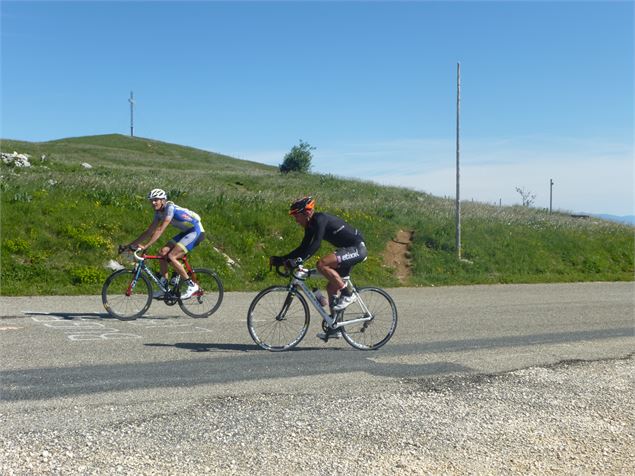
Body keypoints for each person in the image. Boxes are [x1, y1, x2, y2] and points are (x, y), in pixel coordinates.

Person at [269, 196, 367, 341]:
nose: (296, 220)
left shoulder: (320, 219)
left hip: (357, 248)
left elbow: (316, 245)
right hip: (348, 250)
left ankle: (348, 294)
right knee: (331, 288)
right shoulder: (310, 227)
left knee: (321, 264)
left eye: (296, 216)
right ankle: (336, 327)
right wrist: (282, 259)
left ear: (306, 213)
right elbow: (303, 248)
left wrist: (298, 261)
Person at [127, 188, 205, 299]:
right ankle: (164, 287)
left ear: (163, 200)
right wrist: (131, 245)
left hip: (196, 231)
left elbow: (160, 230)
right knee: (162, 252)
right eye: (151, 200)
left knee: (171, 256)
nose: (153, 203)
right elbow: (149, 231)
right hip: (187, 232)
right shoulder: (158, 213)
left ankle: (192, 285)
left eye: (156, 200)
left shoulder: (170, 208)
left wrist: (146, 246)